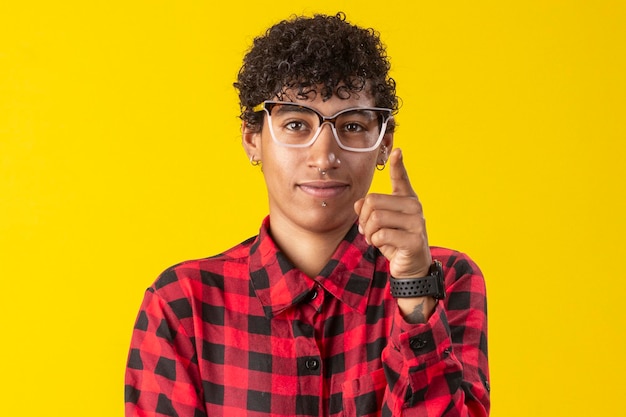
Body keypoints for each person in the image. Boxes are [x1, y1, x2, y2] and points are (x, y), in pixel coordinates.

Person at [125, 12, 490, 417]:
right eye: (297, 124)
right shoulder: (182, 304)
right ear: (253, 140)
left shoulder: (446, 279)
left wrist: (414, 292)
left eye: (351, 127)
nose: (324, 157)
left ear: (384, 144)